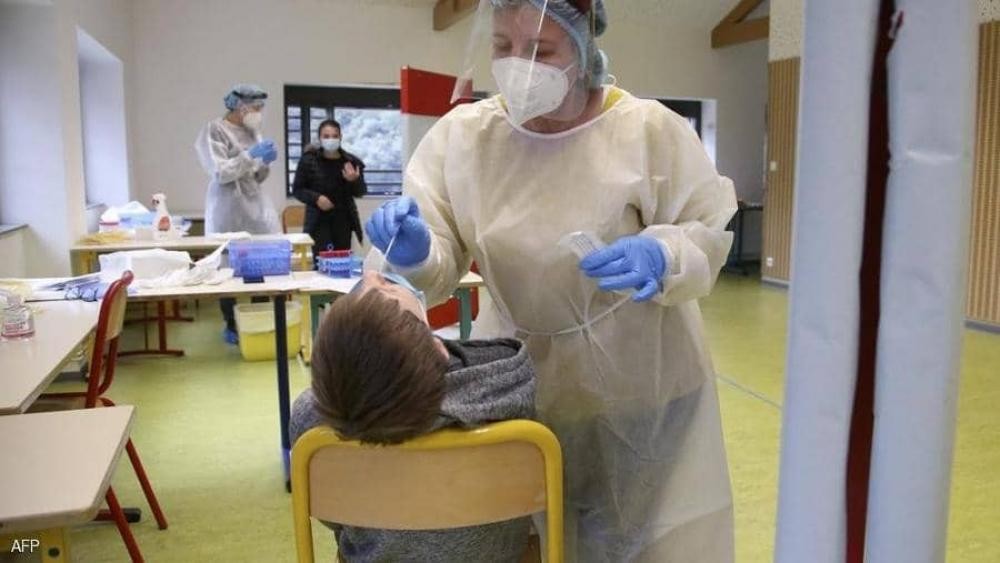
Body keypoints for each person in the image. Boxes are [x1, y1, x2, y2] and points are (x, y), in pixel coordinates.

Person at [364, 1, 738, 561]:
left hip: (641, 382)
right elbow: (432, 268)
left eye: (541, 50)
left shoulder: (645, 130)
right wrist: (418, 254)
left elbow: (705, 227)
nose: (519, 66)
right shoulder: (466, 139)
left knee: (635, 544)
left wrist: (665, 254)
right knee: (530, 539)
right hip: (519, 384)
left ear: (583, 48)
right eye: (503, 47)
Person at [289, 269, 537, 562]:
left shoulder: (312, 423)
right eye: (390, 291)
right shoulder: (513, 388)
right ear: (439, 348)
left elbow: (332, 512)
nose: (372, 273)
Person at [195, 83, 281, 344]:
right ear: (239, 106)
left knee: (259, 263)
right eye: (255, 107)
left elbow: (256, 176)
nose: (259, 112)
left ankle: (259, 321)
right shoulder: (214, 130)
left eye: (261, 107)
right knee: (226, 267)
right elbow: (220, 172)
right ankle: (232, 325)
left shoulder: (254, 132)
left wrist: (265, 163)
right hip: (227, 207)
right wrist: (249, 155)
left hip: (254, 206)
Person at [292, 119, 367, 258]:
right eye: (326, 136)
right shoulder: (308, 160)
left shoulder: (351, 162)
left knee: (341, 262)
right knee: (320, 263)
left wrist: (354, 181)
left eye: (334, 136)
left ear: (340, 137)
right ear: (320, 138)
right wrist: (317, 198)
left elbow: (361, 192)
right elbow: (297, 190)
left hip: (343, 222)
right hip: (318, 222)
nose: (331, 139)